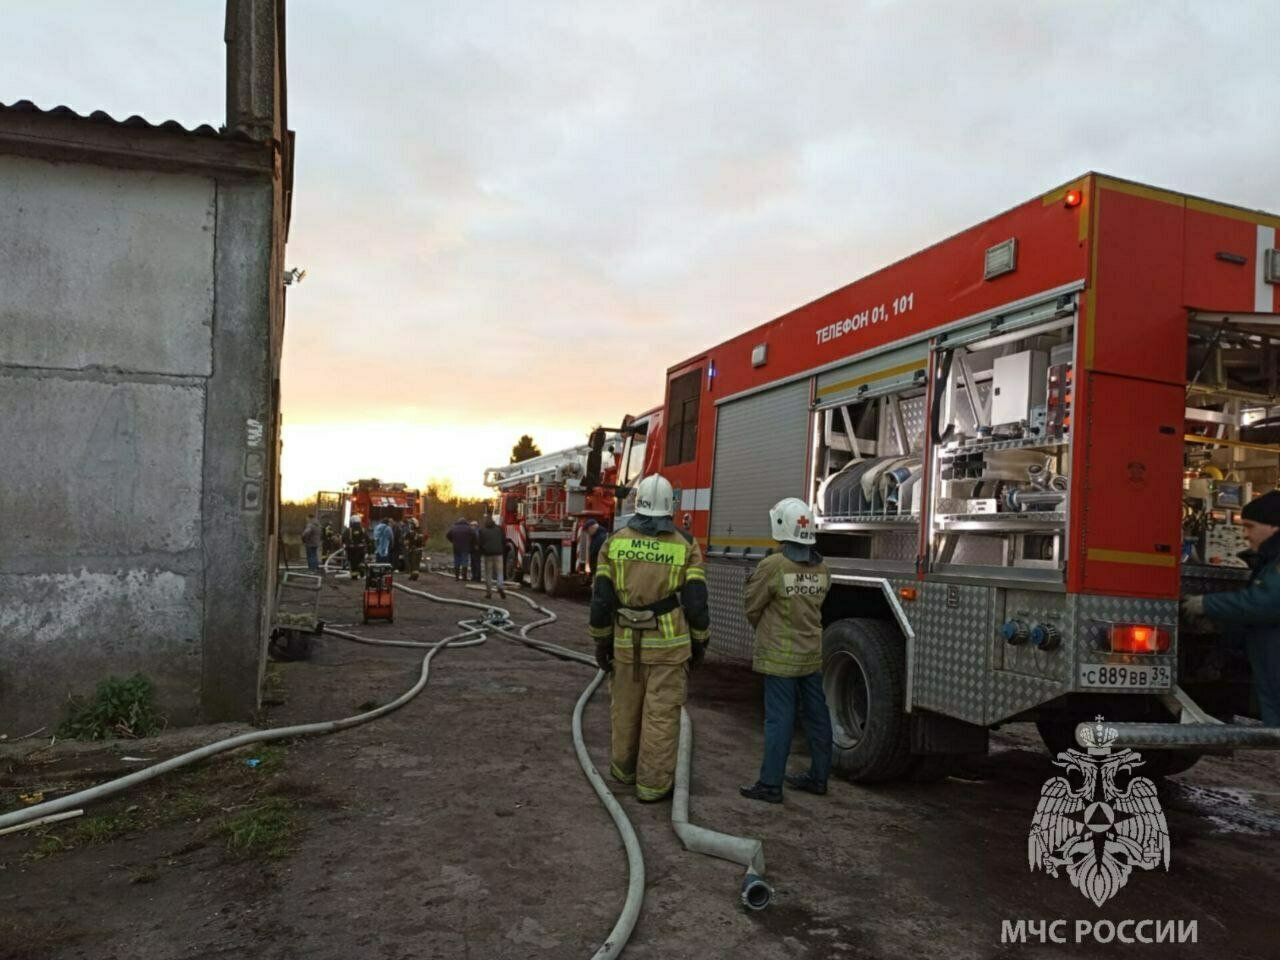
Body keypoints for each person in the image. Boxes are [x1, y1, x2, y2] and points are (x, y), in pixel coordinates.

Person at [589, 474, 711, 802]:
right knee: (661, 716)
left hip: (626, 646)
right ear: (670, 506)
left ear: (637, 502)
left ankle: (624, 773)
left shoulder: (613, 542)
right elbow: (697, 601)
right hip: (670, 650)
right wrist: (700, 641)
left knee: (625, 711)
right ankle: (652, 787)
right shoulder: (685, 544)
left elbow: (601, 599)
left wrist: (602, 640)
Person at [739, 498, 833, 803]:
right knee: (817, 718)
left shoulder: (773, 566)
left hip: (780, 658)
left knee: (780, 720)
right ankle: (819, 778)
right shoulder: (822, 568)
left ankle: (770, 785)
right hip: (811, 656)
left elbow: (752, 606)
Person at [1183, 489, 1280, 726]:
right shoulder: (1270, 562)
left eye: (1249, 526)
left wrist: (1205, 604)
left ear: (1273, 527)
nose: (1245, 534)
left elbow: (1264, 603)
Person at [478, 515, 506, 599]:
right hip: (498, 554)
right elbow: (503, 540)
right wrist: (502, 550)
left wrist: (481, 552)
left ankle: (489, 593)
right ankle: (500, 586)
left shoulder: (482, 531)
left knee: (488, 574)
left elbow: (480, 543)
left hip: (488, 555)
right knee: (499, 572)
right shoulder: (499, 529)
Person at [446, 517, 473, 581]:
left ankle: (457, 577)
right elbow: (473, 535)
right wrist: (469, 542)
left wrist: (453, 541)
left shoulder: (454, 527)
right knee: (464, 562)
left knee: (457, 562)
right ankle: (464, 577)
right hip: (465, 548)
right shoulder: (468, 528)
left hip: (456, 548)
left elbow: (447, 535)